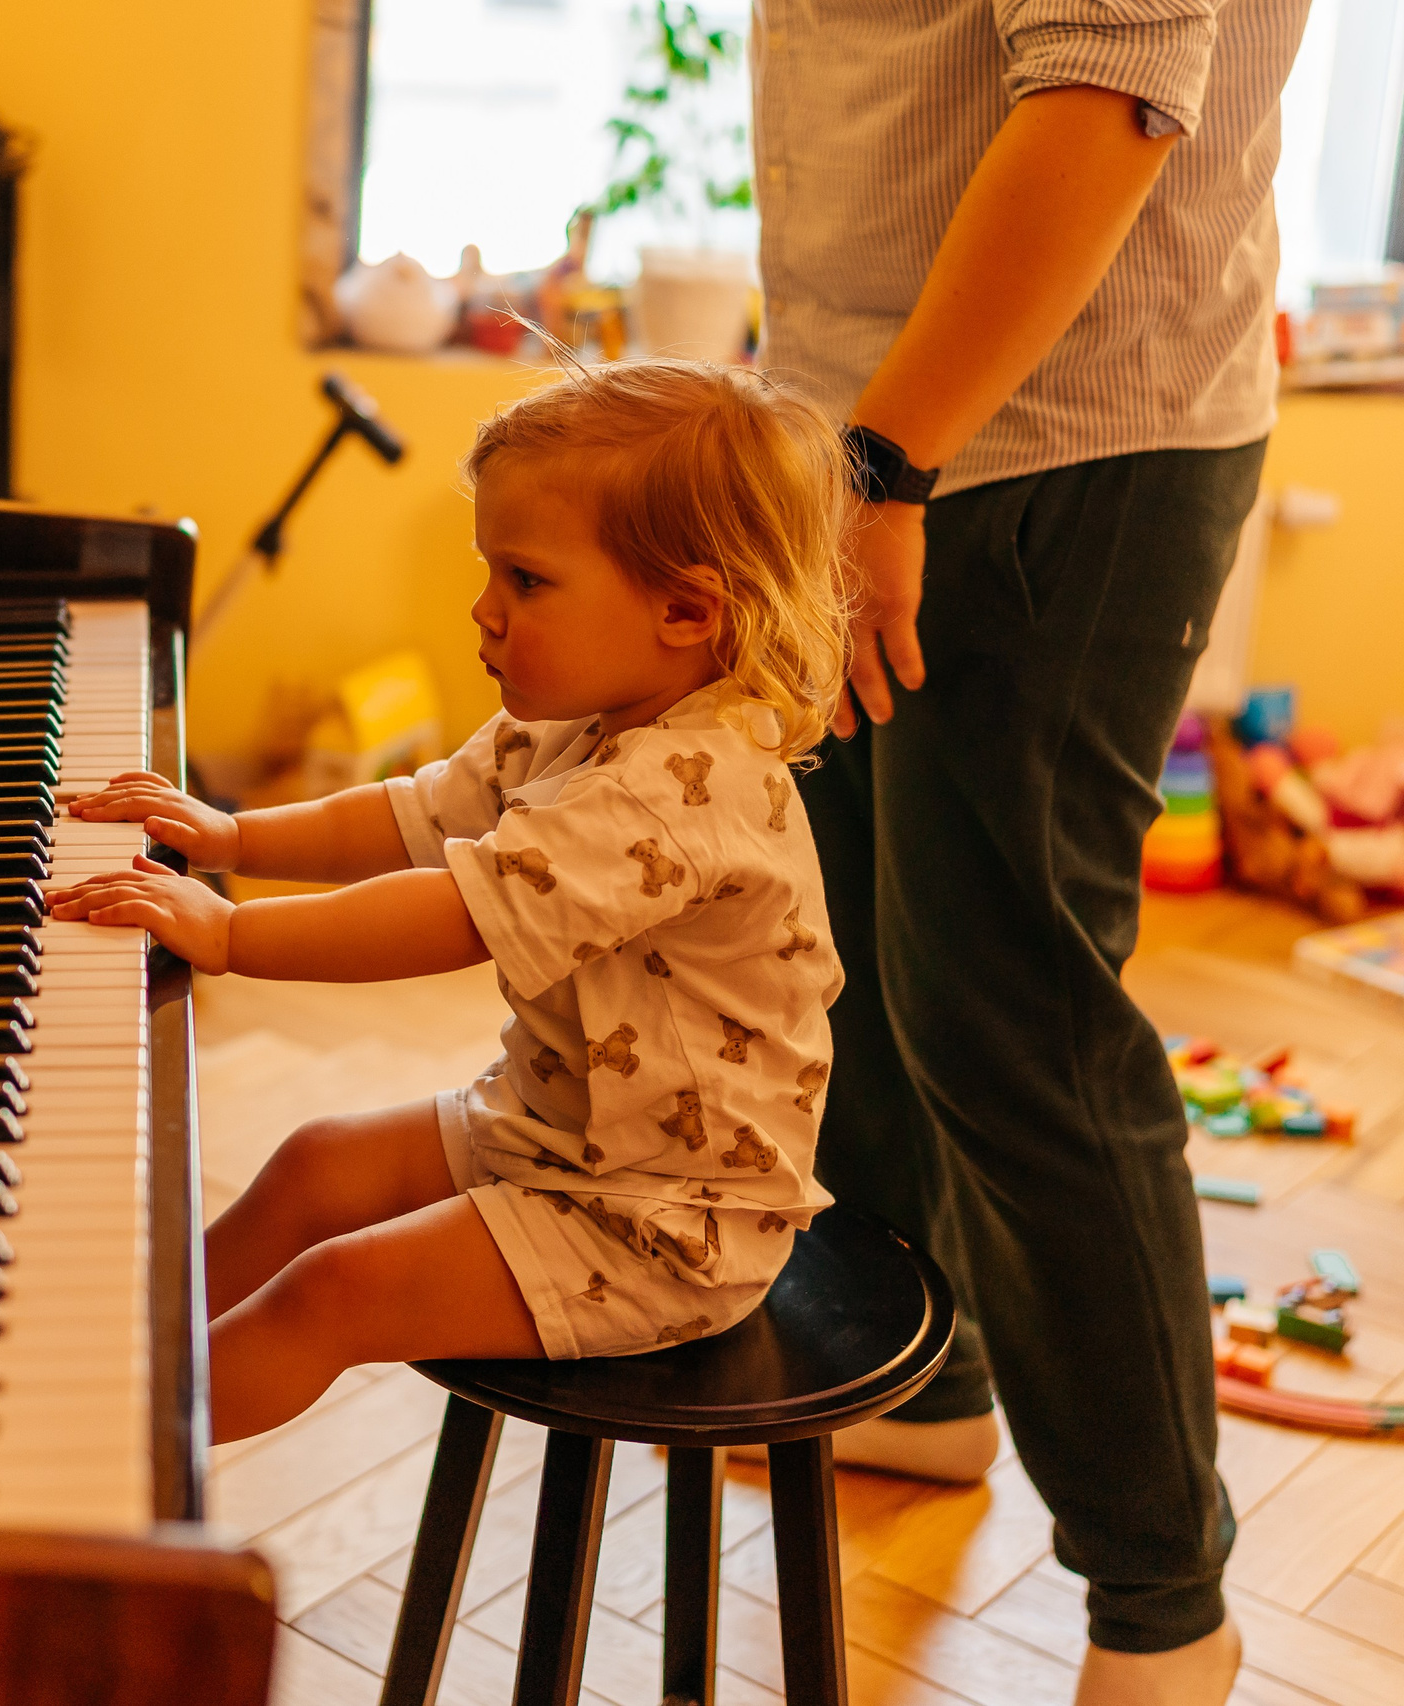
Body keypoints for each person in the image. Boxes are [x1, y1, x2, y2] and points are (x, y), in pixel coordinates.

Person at [751, 4, 1305, 1701]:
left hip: (1058, 433)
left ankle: (1165, 1601)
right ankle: (923, 1387)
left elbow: (1114, 90)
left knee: (1012, 1015)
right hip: (878, 433)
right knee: (862, 946)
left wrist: (889, 457)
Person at [48, 360, 852, 1441]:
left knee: (335, 1288)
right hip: (556, 1131)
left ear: (684, 608)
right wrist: (234, 836)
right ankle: (126, 1355)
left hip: (666, 1221)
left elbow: (453, 915)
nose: (484, 609)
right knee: (313, 1165)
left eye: (526, 579)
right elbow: (410, 815)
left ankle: (108, 1454)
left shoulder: (674, 792)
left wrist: (231, 932)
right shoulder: (578, 720)